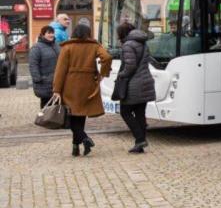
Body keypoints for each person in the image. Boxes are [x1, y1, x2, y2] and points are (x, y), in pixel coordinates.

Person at [52, 24, 112, 157]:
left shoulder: (67, 47)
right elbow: (107, 58)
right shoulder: (94, 46)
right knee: (81, 114)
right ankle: (76, 147)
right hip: (88, 84)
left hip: (70, 85)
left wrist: (56, 89)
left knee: (73, 116)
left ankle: (84, 138)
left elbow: (60, 71)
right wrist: (103, 73)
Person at [116, 23, 156, 154]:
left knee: (125, 111)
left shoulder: (128, 45)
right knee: (140, 113)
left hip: (134, 83)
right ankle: (140, 144)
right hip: (145, 81)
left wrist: (121, 75)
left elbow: (130, 66)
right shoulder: (142, 42)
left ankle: (140, 139)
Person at [29, 25, 60, 108]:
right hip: (44, 82)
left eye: (53, 33)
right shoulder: (36, 47)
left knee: (57, 103)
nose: (52, 35)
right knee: (46, 104)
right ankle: (45, 120)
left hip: (57, 81)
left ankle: (56, 120)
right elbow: (33, 65)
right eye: (49, 33)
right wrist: (38, 79)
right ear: (42, 34)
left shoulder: (56, 45)